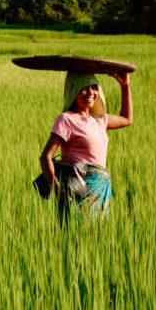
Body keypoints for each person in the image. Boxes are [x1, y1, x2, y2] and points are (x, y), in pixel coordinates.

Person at [39, 71, 133, 223]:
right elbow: (46, 157)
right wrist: (57, 190)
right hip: (77, 189)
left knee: (96, 238)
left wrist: (125, 85)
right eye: (84, 88)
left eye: (94, 87)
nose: (91, 92)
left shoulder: (99, 120)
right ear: (73, 90)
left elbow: (127, 119)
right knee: (74, 235)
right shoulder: (67, 120)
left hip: (99, 188)